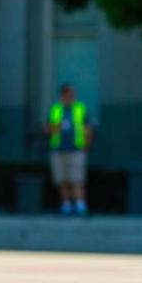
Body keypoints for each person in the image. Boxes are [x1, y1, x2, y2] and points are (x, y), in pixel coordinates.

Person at [44, 83, 94, 216]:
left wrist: (87, 145)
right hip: (58, 149)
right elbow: (47, 129)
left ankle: (80, 205)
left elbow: (88, 128)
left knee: (77, 179)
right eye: (68, 94)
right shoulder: (55, 109)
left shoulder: (80, 108)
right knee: (62, 179)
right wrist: (55, 127)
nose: (71, 97)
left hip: (76, 149)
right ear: (62, 95)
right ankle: (66, 205)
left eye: (73, 94)